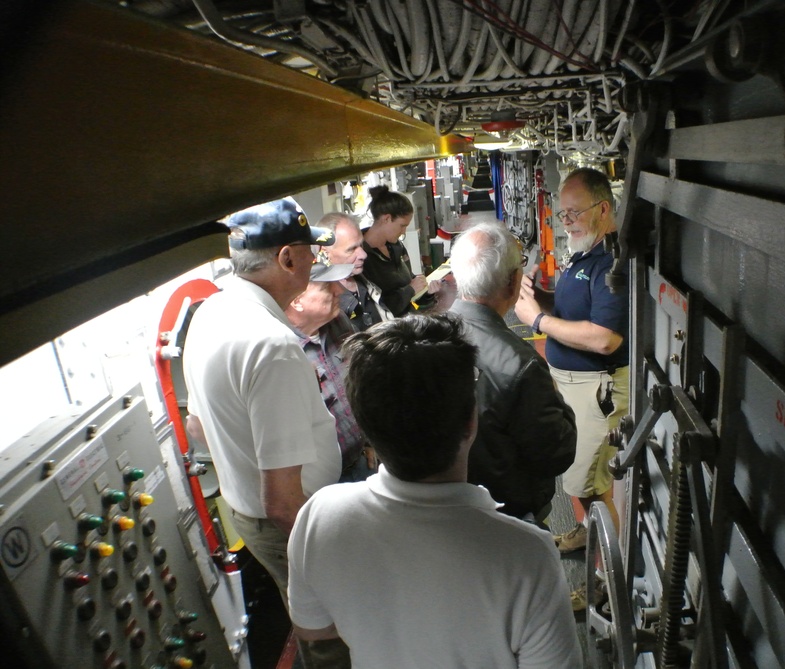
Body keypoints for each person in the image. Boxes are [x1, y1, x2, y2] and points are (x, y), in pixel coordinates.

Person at [287, 315, 583, 669]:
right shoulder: (527, 555)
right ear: (471, 422)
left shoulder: (318, 517)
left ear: (364, 422)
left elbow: (314, 629)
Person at [182, 198, 349, 667]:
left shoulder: (211, 313)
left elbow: (197, 425)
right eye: (309, 252)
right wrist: (335, 557)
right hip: (288, 523)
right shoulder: (272, 346)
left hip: (249, 514)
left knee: (306, 617)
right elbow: (282, 501)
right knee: (333, 636)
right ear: (287, 258)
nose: (315, 262)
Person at [514, 167, 629, 556]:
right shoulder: (586, 253)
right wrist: (542, 299)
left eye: (574, 213)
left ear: (603, 208)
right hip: (575, 386)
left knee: (590, 486)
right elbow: (575, 310)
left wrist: (537, 320)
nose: (567, 223)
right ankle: (586, 533)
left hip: (596, 389)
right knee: (580, 478)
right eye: (562, 214)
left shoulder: (611, 263)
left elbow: (605, 339)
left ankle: (608, 584)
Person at [448, 223, 577, 523]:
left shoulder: (426, 336)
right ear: (512, 283)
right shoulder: (522, 366)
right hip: (508, 516)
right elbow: (557, 452)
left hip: (444, 511)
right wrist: (560, 402)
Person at [285, 256, 378, 482]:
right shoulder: (284, 350)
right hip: (324, 481)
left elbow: (361, 381)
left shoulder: (338, 321)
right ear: (297, 300)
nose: (339, 290)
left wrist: (370, 440)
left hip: (362, 460)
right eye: (327, 286)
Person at [361, 185, 440, 317]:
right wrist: (410, 290)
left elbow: (409, 283)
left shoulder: (396, 247)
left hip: (409, 318)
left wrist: (427, 292)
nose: (403, 232)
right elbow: (377, 308)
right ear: (386, 219)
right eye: (402, 226)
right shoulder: (362, 258)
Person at [317, 212, 382, 331]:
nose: (363, 254)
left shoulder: (368, 278)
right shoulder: (323, 304)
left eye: (361, 245)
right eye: (351, 249)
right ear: (325, 252)